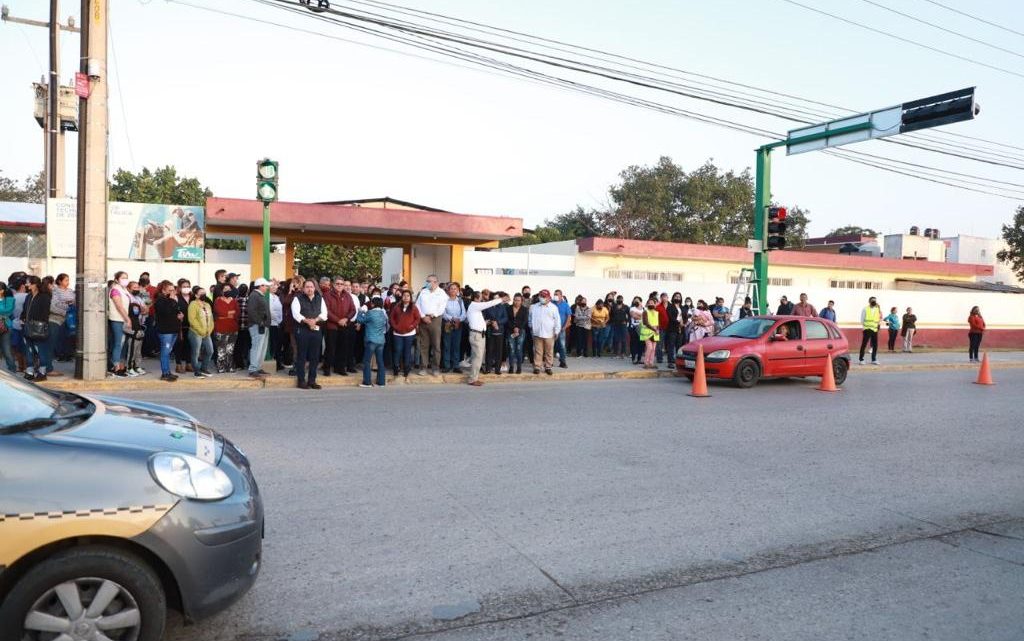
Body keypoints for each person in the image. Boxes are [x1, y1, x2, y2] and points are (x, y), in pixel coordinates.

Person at [465, 290, 509, 386]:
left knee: (476, 357)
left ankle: (474, 377)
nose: (483, 298)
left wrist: (486, 323)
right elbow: (489, 304)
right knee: (478, 358)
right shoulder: (475, 305)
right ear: (477, 298)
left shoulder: (474, 307)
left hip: (478, 334)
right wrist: (501, 299)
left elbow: (476, 322)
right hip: (477, 335)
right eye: (481, 296)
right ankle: (473, 379)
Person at [291, 279, 327, 389]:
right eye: (307, 287)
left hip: (316, 330)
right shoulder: (297, 299)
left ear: (314, 288)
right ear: (303, 288)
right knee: (302, 356)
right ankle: (301, 381)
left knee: (315, 356)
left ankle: (312, 380)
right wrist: (308, 321)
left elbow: (324, 314)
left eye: (311, 287)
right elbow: (296, 314)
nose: (310, 289)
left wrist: (315, 320)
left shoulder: (320, 299)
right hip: (302, 330)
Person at [20, 275, 52, 382]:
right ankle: (30, 371)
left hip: (39, 327)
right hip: (28, 326)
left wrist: (37, 322)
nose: (27, 284)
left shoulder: (44, 296)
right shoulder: (28, 296)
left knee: (40, 349)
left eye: (29, 282)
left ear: (35, 284)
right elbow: (25, 309)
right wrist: (22, 318)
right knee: (29, 349)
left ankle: (42, 372)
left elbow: (45, 312)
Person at [414, 274, 447, 376]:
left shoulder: (442, 293)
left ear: (435, 282)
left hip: (435, 319)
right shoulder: (423, 292)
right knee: (424, 345)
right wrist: (423, 316)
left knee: (436, 345)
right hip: (423, 319)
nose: (427, 283)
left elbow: (442, 308)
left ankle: (435, 368)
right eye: (427, 281)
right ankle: (424, 367)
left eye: (429, 281)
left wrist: (432, 316)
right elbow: (417, 305)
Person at [356, 296, 389, 388]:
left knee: (366, 361)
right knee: (380, 361)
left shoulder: (370, 313)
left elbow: (360, 320)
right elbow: (387, 326)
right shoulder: (383, 314)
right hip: (381, 340)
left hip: (371, 340)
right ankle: (381, 382)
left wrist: (361, 311)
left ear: (373, 304)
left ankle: (367, 382)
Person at [154, 280, 182, 382]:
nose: (172, 292)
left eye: (173, 289)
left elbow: (175, 311)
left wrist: (180, 315)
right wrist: (171, 300)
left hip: (173, 329)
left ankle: (168, 372)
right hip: (165, 331)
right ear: (164, 290)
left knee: (168, 351)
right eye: (170, 290)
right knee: (165, 352)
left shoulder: (172, 299)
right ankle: (165, 373)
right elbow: (166, 312)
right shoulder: (160, 300)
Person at [388, 289, 420, 378]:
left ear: (410, 297)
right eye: (404, 295)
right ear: (401, 297)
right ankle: (396, 368)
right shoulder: (397, 307)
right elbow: (391, 318)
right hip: (397, 333)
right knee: (397, 351)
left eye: (408, 296)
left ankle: (406, 369)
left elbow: (417, 319)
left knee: (407, 351)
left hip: (409, 334)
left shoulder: (414, 307)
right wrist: (395, 326)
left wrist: (412, 326)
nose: (406, 297)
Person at [528, 289, 561, 375]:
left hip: (549, 333)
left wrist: (557, 331)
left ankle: (548, 367)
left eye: (544, 297)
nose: (542, 298)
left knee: (549, 351)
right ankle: (537, 367)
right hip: (537, 333)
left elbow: (557, 321)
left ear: (549, 298)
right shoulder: (534, 307)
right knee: (538, 351)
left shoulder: (553, 308)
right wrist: (531, 326)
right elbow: (530, 318)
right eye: (541, 296)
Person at [108, 271, 132, 376]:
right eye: (123, 278)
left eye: (126, 277)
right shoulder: (115, 290)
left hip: (123, 319)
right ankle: (115, 366)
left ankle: (121, 365)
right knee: (118, 343)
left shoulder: (124, 290)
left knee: (123, 344)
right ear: (117, 279)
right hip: (117, 319)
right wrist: (127, 319)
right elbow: (119, 306)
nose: (125, 279)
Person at [187, 286, 215, 377]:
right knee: (196, 352)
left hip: (207, 333)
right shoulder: (193, 304)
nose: (204, 295)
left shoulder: (207, 305)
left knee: (210, 351)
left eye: (204, 293)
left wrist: (209, 329)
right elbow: (192, 320)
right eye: (201, 293)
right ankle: (196, 371)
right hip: (195, 333)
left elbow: (211, 319)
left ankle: (204, 368)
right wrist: (200, 330)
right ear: (196, 295)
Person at [246, 278, 272, 378]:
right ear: (260, 286)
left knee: (262, 348)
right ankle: (253, 369)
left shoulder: (258, 295)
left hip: (262, 325)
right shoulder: (254, 295)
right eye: (265, 286)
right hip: (257, 326)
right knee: (257, 347)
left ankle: (257, 368)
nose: (267, 288)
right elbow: (251, 311)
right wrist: (260, 322)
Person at [213, 286, 240, 374]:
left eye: (229, 290)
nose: (227, 291)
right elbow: (219, 311)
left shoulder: (234, 301)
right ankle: (221, 367)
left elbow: (237, 312)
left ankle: (230, 366)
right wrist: (230, 313)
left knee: (230, 349)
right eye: (225, 290)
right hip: (220, 328)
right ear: (222, 291)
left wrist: (228, 313)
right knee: (221, 350)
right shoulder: (218, 300)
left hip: (233, 328)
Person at [441, 283, 466, 373]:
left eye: (455, 289)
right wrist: (452, 318)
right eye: (451, 288)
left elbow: (464, 313)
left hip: (458, 325)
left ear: (458, 291)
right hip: (448, 324)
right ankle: (447, 365)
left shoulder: (460, 301)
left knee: (456, 346)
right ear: (448, 290)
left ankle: (456, 366)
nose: (453, 290)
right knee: (447, 346)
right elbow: (443, 312)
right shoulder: (445, 300)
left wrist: (459, 319)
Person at [483, 292, 509, 374]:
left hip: (500, 331)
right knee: (489, 350)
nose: (497, 300)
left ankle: (497, 369)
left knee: (499, 351)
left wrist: (497, 322)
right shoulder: (488, 307)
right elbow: (485, 317)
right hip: (490, 331)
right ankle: (488, 368)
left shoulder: (502, 307)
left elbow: (505, 318)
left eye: (498, 298)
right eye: (495, 298)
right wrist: (491, 322)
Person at [506, 292, 529, 374]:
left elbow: (525, 321)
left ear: (521, 301)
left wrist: (518, 328)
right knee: (511, 349)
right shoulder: (508, 308)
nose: (516, 302)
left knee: (519, 349)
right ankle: (511, 367)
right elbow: (507, 320)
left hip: (521, 331)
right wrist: (513, 328)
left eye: (518, 300)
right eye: (515, 300)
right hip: (510, 331)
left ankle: (519, 367)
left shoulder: (525, 309)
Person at [268, 280, 286, 371]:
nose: (275, 287)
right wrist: (279, 321)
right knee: (273, 345)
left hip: (278, 324)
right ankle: (274, 362)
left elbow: (280, 310)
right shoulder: (268, 297)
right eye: (272, 285)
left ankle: (278, 363)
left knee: (278, 345)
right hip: (272, 324)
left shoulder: (277, 297)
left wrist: (281, 321)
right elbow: (270, 311)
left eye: (275, 285)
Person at [859, 296, 881, 365]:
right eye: (872, 300)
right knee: (864, 344)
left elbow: (878, 318)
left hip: (874, 329)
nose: (874, 301)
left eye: (875, 300)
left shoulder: (877, 309)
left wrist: (878, 326)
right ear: (869, 301)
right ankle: (861, 359)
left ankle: (873, 359)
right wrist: (865, 327)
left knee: (875, 345)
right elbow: (862, 320)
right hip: (867, 329)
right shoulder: (865, 309)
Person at [664, 293, 685, 368]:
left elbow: (685, 316)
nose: (677, 298)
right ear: (673, 297)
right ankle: (670, 361)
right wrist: (678, 322)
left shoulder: (683, 307)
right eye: (676, 296)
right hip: (672, 328)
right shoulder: (670, 307)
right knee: (671, 345)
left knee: (679, 346)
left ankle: (678, 361)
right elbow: (670, 317)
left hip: (681, 329)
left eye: (679, 297)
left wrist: (684, 323)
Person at [553, 289, 571, 368]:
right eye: (555, 294)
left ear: (561, 296)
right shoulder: (551, 304)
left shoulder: (565, 305)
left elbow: (568, 317)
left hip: (561, 329)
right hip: (551, 329)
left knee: (562, 345)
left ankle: (562, 361)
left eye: (557, 294)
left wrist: (564, 327)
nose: (555, 296)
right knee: (550, 346)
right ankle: (549, 362)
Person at [640, 297, 660, 369]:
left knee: (654, 349)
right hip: (647, 332)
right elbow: (645, 322)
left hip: (655, 333)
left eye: (652, 303)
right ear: (647, 304)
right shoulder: (645, 312)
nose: (651, 304)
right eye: (649, 303)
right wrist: (654, 329)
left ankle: (651, 363)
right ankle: (646, 363)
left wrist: (657, 330)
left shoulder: (656, 313)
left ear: (655, 304)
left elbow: (657, 323)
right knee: (649, 348)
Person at [0, 281, 15, 372]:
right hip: (5, 323)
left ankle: (12, 370)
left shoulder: (9, 299)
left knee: (7, 351)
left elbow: (8, 311)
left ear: (2, 290)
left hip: (6, 327)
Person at [628, 296, 644, 364]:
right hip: (634, 328)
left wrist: (639, 315)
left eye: (637, 300)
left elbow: (647, 317)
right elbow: (634, 316)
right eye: (635, 300)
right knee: (634, 343)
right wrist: (642, 316)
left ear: (641, 301)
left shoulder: (644, 309)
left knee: (641, 344)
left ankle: (639, 358)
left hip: (642, 328)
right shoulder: (632, 308)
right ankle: (634, 358)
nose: (636, 302)